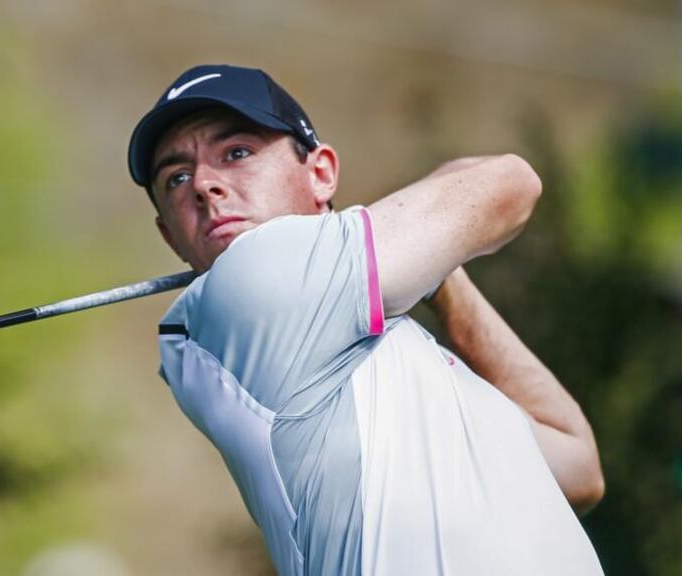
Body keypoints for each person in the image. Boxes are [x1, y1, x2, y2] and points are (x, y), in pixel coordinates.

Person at [127, 64, 605, 575]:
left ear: (321, 173)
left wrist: (441, 280)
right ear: (169, 235)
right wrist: (423, 252)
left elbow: (577, 468)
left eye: (237, 153)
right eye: (176, 177)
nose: (203, 185)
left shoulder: (394, 354)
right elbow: (512, 182)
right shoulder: (253, 283)